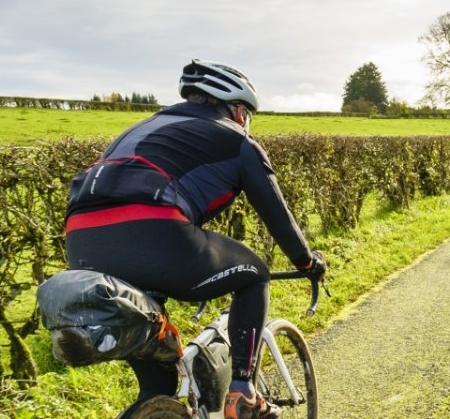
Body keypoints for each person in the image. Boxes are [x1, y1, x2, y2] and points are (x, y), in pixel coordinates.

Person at [63, 60, 324, 419]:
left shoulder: (138, 129)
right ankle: (243, 392)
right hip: (154, 230)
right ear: (237, 109)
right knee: (254, 273)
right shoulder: (237, 140)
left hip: (82, 246)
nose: (246, 122)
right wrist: (307, 262)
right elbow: (278, 218)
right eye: (247, 114)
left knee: (159, 386)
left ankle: (157, 406)